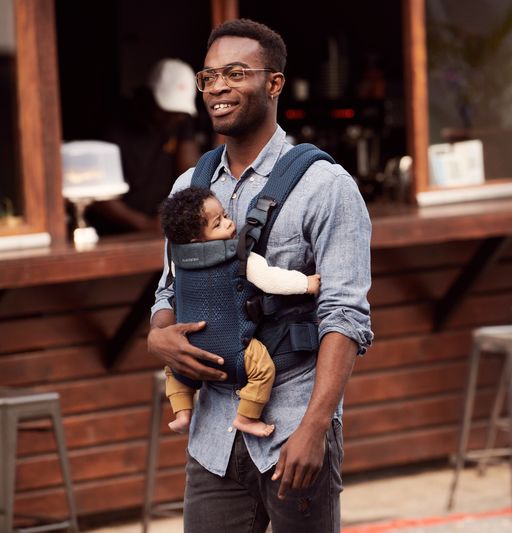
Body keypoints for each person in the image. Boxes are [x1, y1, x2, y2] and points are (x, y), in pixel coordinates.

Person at [147, 19, 373, 532]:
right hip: (213, 436)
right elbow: (168, 289)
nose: (218, 88)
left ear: (274, 83)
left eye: (235, 73)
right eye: (208, 77)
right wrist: (159, 335)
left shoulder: (325, 186)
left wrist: (316, 427)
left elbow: (345, 315)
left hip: (295, 423)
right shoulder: (191, 183)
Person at [158, 186, 321, 437]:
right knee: (262, 369)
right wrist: (306, 284)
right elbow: (271, 280)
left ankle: (182, 412)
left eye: (224, 215)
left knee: (174, 370)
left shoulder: (177, 260)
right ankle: (246, 417)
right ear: (195, 239)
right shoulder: (240, 255)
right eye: (218, 223)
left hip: (190, 347)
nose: (229, 222)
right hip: (233, 348)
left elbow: (169, 290)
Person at [88, 58, 201, 234]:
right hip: (116, 231)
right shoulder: (113, 124)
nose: (174, 118)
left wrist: (181, 212)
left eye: (179, 114)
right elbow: (96, 191)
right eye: (167, 112)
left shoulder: (179, 120)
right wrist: (145, 224)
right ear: (148, 96)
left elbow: (190, 172)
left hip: (164, 224)